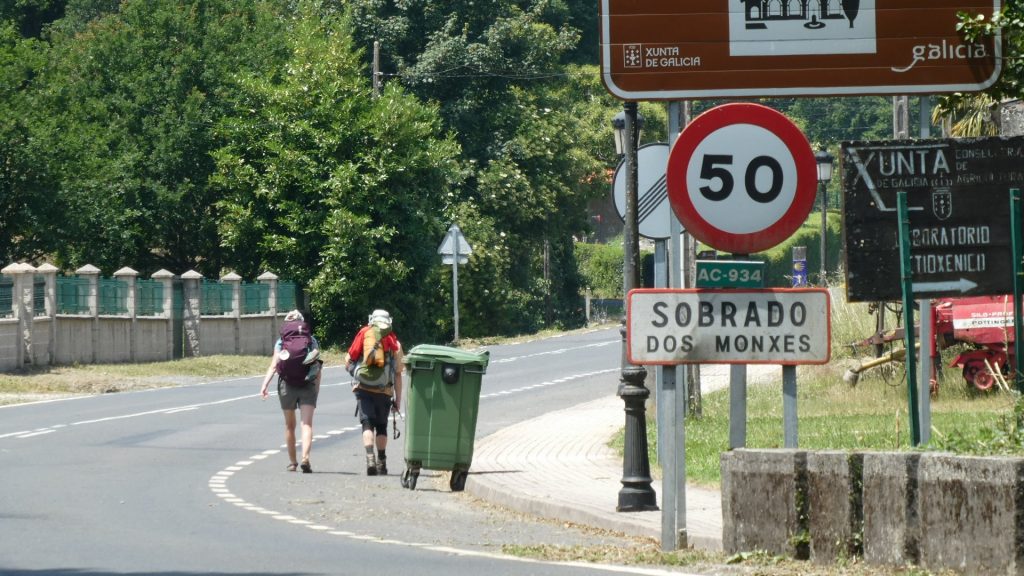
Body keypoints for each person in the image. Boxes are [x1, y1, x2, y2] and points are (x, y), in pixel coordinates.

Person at [260, 310, 322, 473]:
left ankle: (293, 462)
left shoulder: (281, 341)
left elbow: (274, 365)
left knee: (289, 426)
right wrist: (316, 389)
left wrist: (264, 385)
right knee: (306, 424)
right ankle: (305, 458)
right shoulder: (311, 340)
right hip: (307, 384)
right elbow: (317, 367)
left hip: (286, 385)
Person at [344, 309, 403, 476]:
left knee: (367, 424)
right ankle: (381, 462)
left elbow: (349, 359)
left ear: (372, 320)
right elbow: (398, 374)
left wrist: (351, 369)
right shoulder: (394, 342)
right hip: (384, 390)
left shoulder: (364, 333)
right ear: (388, 322)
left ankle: (370, 457)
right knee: (382, 426)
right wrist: (397, 400)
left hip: (363, 387)